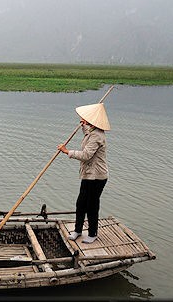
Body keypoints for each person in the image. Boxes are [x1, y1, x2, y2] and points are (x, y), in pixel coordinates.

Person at [57, 103, 110, 244]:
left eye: (85, 119)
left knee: (92, 205)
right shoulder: (91, 131)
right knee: (81, 203)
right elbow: (88, 133)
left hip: (97, 177)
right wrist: (83, 125)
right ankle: (78, 230)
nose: (83, 120)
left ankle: (93, 233)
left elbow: (86, 155)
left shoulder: (97, 136)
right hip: (88, 174)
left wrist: (67, 151)